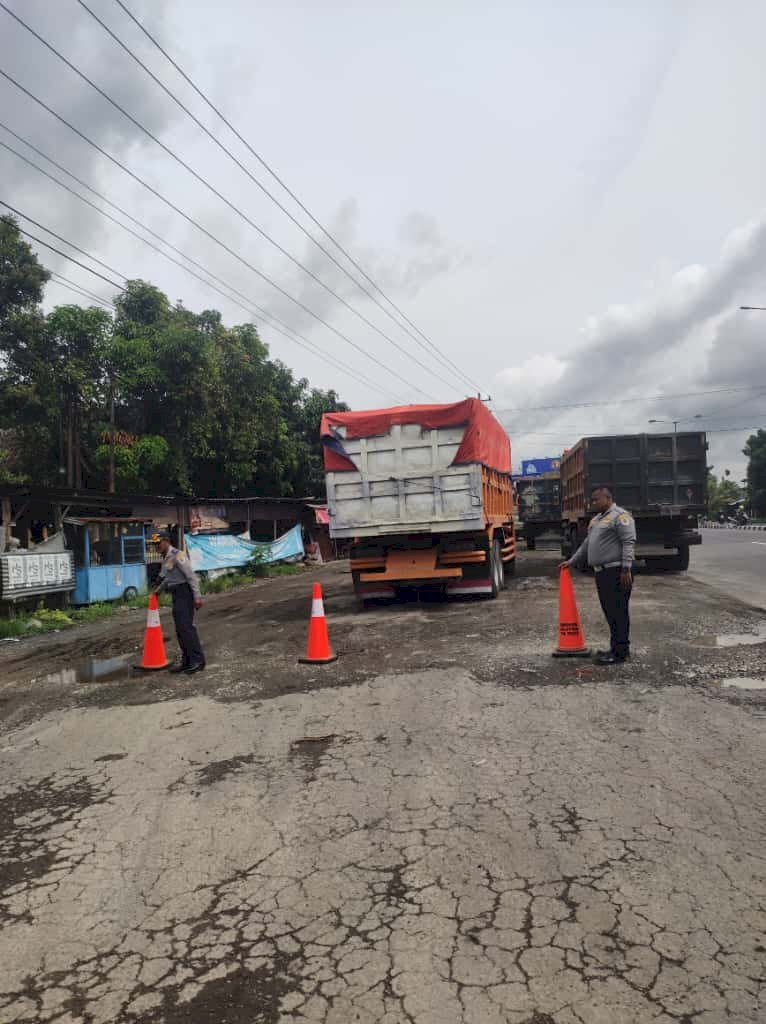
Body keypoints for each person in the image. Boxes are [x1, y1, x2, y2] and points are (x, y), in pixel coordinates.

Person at [559, 485, 636, 665]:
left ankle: (621, 653)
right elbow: (587, 544)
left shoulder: (620, 516)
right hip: (602, 573)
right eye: (592, 500)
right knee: (610, 612)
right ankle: (615, 648)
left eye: (597, 499)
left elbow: (628, 542)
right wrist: (572, 561)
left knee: (619, 612)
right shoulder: (597, 520)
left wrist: (626, 568)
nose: (593, 503)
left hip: (617, 571)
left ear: (608, 498)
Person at [154, 529, 205, 674]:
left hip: (185, 593)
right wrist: (158, 590)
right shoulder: (167, 558)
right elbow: (169, 578)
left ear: (166, 541)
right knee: (180, 630)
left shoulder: (178, 555)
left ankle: (198, 661)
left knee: (187, 628)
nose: (157, 546)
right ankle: (187, 662)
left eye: (159, 543)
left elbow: (191, 577)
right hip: (176, 595)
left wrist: (197, 596)